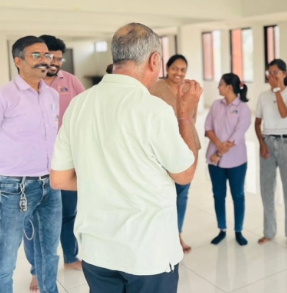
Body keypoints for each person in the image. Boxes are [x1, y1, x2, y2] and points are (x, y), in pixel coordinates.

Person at [50, 23, 202, 293]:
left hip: (97, 251)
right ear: (154, 60)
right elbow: (184, 174)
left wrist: (105, 181)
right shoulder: (153, 109)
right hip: (147, 253)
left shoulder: (79, 104)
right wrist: (185, 115)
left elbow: (59, 179)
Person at [0, 36, 61, 293]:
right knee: (6, 256)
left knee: (49, 252)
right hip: (14, 189)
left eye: (47, 55)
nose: (44, 60)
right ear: (18, 61)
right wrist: (13, 168)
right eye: (36, 55)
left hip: (50, 184)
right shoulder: (1, 98)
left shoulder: (52, 95)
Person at [21, 35, 85, 292]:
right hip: (34, 166)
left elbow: (85, 114)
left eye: (60, 58)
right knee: (33, 221)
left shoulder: (70, 81)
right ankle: (37, 271)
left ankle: (70, 257)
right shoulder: (26, 86)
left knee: (68, 214)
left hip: (66, 162)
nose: (56, 62)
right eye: (51, 57)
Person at [149, 54, 201, 254]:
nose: (178, 73)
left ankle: (177, 234)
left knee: (182, 194)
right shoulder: (155, 88)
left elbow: (192, 119)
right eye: (174, 68)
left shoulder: (189, 89)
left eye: (182, 69)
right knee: (163, 193)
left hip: (187, 145)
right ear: (167, 68)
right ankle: (163, 235)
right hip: (163, 148)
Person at [255, 59, 287, 248]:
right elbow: (257, 123)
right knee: (267, 189)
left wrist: (276, 90)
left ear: (285, 74)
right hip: (267, 142)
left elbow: (284, 114)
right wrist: (261, 144)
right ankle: (269, 231)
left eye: (275, 72)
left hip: (286, 143)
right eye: (270, 72)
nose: (272, 76)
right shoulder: (262, 96)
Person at [205, 73, 251, 246]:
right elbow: (207, 128)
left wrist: (219, 153)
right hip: (214, 161)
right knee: (218, 195)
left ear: (229, 87)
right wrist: (218, 145)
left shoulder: (243, 109)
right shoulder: (215, 105)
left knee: (238, 195)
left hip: (236, 161)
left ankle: (238, 231)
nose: (218, 87)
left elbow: (237, 136)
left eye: (221, 84)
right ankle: (222, 229)